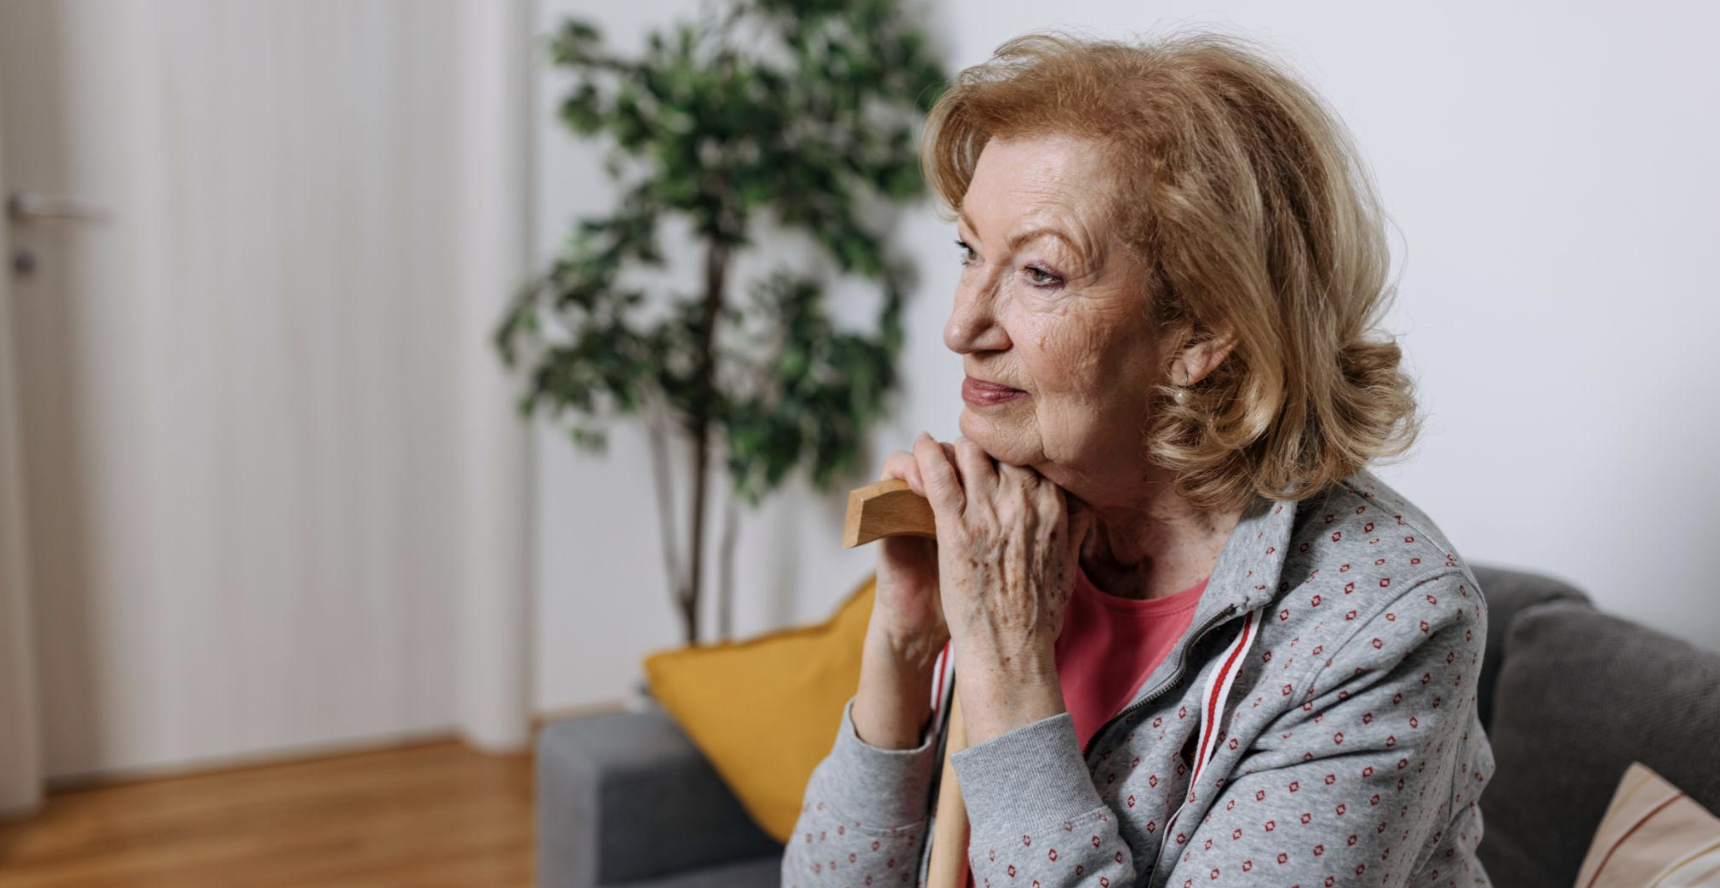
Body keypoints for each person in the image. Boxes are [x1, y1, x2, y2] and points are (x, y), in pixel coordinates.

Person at [781, 28, 1494, 888]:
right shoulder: (1008, 522)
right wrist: (903, 647)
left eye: (1041, 274)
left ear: (1200, 330)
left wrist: (1007, 668)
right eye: (970, 252)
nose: (961, 326)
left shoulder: (1381, 623)